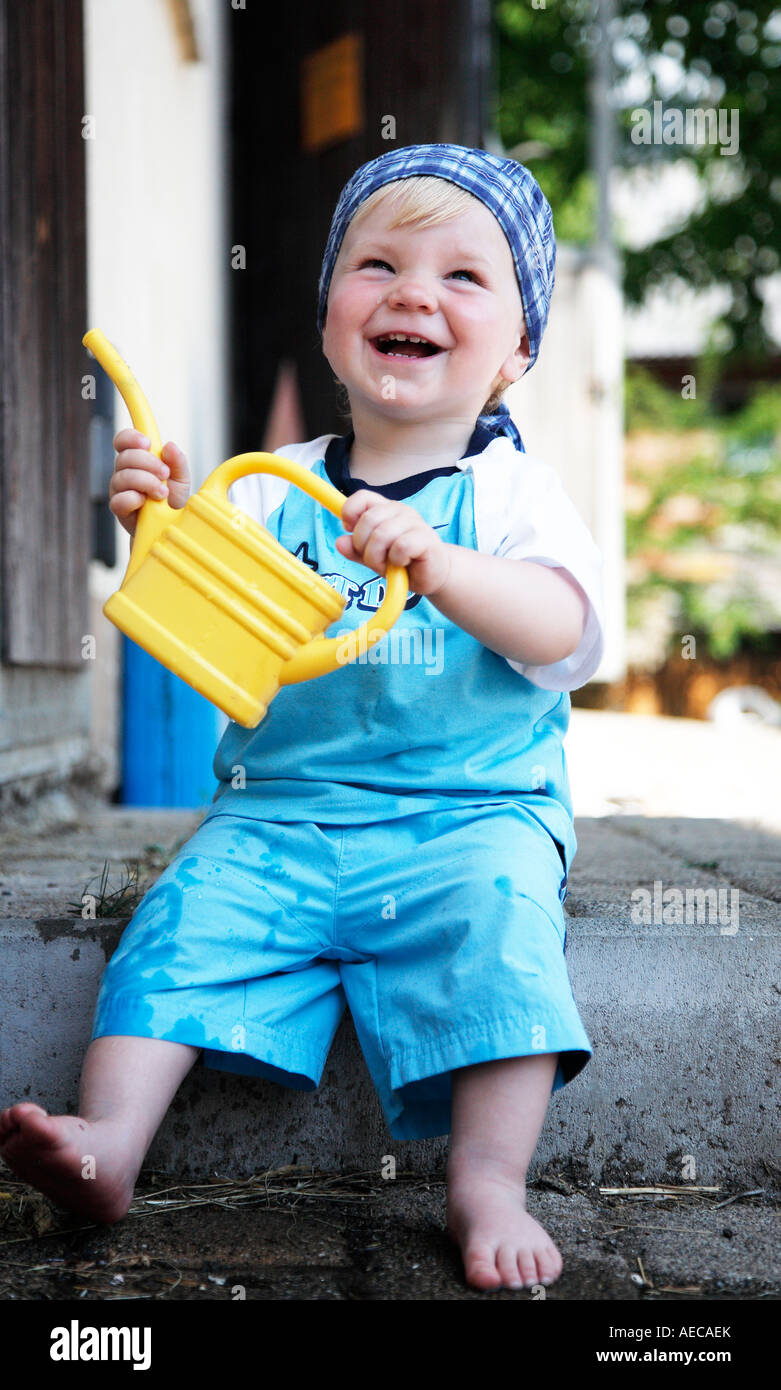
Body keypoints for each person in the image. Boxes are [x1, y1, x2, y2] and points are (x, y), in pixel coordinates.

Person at [0, 144, 605, 1293]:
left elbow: (560, 632)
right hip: (278, 815)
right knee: (179, 922)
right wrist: (160, 531)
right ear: (332, 322)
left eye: (464, 278)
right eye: (376, 265)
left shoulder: (516, 493)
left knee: (501, 928)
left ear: (518, 350)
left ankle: (486, 1182)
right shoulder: (274, 485)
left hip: (470, 817)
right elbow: (214, 639)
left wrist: (444, 565)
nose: (413, 293)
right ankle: (111, 1142)